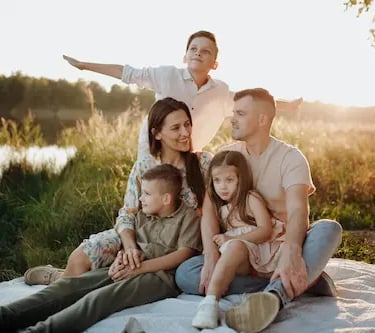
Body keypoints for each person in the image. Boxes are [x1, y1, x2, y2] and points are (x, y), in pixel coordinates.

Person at [175, 88, 343, 333]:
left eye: (240, 113)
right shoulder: (227, 155)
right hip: (244, 250)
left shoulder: (291, 157)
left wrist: (294, 252)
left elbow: (298, 211)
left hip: (281, 244)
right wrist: (211, 256)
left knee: (329, 229)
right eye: (233, 112)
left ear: (262, 119)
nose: (232, 119)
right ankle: (304, 280)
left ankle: (275, 296)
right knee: (186, 274)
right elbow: (209, 211)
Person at [24, 97, 211, 285]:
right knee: (81, 257)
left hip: (179, 243)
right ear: (157, 134)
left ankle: (66, 280)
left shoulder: (203, 164)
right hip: (140, 236)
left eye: (187, 124)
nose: (185, 132)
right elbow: (128, 214)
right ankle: (58, 278)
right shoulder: (144, 167)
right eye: (175, 128)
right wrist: (130, 248)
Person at [0, 164, 202, 333]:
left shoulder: (188, 217)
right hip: (129, 268)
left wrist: (139, 268)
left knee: (99, 298)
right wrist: (121, 260)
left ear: (166, 198)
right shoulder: (143, 216)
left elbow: (182, 255)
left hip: (159, 278)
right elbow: (131, 245)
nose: (140, 199)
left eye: (147, 194)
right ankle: (7, 316)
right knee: (71, 285)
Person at [62, 30, 303, 159]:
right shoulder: (166, 75)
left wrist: (287, 105)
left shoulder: (220, 91)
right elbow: (127, 73)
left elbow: (253, 103)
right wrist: (85, 65)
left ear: (215, 64)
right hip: (154, 148)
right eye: (193, 49)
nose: (198, 53)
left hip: (190, 154)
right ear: (185, 56)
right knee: (151, 195)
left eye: (206, 51)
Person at [191, 150, 285, 329]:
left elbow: (265, 230)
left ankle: (210, 301)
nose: (222, 187)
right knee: (194, 270)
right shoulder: (223, 209)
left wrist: (231, 238)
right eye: (217, 181)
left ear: (240, 179)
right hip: (246, 262)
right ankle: (211, 302)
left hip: (264, 251)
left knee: (233, 247)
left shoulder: (251, 198)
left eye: (229, 180)